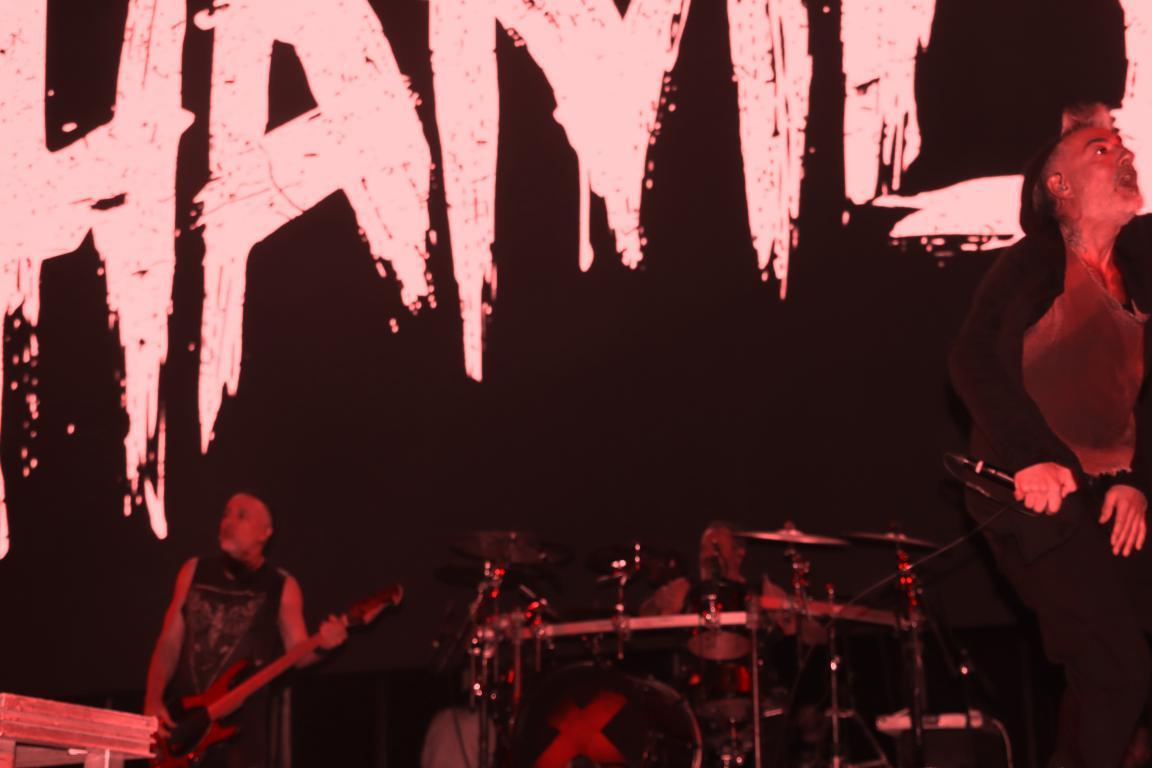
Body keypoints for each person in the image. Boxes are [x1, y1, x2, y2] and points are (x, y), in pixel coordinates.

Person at [951, 102, 1152, 767]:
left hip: (1109, 499)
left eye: (1122, 144)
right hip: (1034, 495)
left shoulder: (1139, 275)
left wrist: (1136, 483)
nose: (1124, 154)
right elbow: (974, 359)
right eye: (1101, 149)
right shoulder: (1036, 262)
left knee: (1108, 675)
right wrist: (1034, 458)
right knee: (1114, 668)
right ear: (1058, 185)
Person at [143, 492, 348, 768]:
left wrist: (324, 646)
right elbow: (169, 641)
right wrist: (153, 698)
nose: (228, 521)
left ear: (265, 532)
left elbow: (298, 652)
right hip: (183, 725)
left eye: (241, 516)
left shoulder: (281, 586)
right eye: (226, 513)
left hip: (240, 740)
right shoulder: (194, 571)